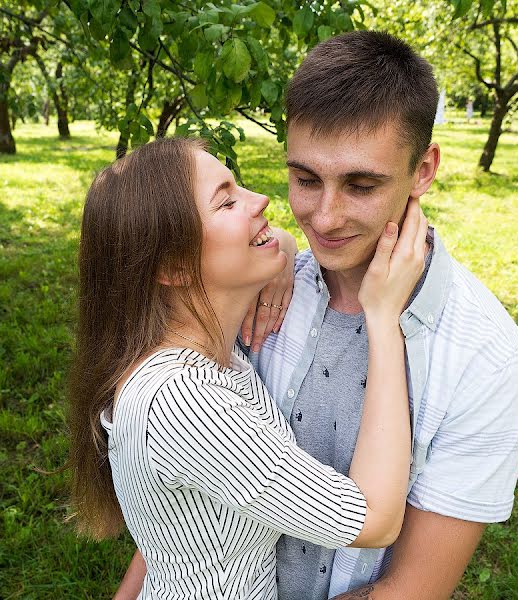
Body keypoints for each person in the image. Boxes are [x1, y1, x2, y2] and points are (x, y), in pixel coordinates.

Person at [120, 30, 518, 600]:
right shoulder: (253, 293)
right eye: (305, 179)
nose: (325, 216)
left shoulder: (486, 358)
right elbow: (190, 500)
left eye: (361, 185)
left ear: (424, 169)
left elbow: (412, 589)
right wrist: (281, 251)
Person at [68, 136, 429, 599]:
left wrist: (277, 247)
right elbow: (374, 520)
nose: (261, 200)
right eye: (226, 201)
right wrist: (383, 316)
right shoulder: (184, 404)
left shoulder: (197, 359)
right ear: (175, 266)